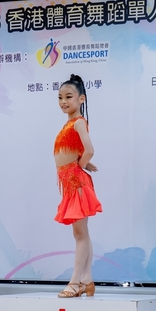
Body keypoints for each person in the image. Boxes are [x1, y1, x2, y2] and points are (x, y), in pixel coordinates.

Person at [53, 74, 102, 298]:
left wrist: (79, 166)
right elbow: (78, 150)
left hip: (76, 182)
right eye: (60, 97)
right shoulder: (69, 123)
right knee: (81, 233)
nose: (63, 101)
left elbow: (89, 149)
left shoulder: (79, 122)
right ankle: (87, 280)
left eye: (68, 97)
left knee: (80, 234)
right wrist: (80, 161)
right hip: (71, 183)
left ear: (81, 99)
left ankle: (75, 282)